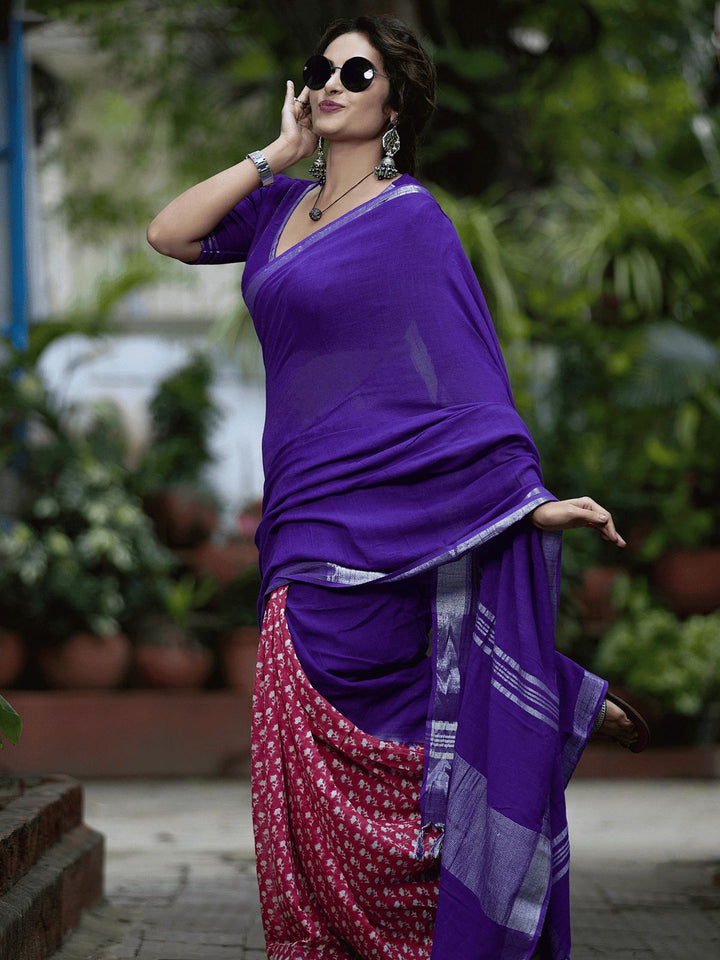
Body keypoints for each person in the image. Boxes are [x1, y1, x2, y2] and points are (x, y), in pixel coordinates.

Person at [147, 14, 649, 960]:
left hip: (382, 509)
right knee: (297, 744)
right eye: (320, 68)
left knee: (393, 700)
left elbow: (462, 379)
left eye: (355, 70)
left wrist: (526, 500)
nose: (331, 81)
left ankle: (541, 710)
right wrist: (275, 151)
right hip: (299, 510)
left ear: (392, 104)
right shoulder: (275, 208)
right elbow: (167, 233)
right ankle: (558, 701)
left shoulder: (411, 217)